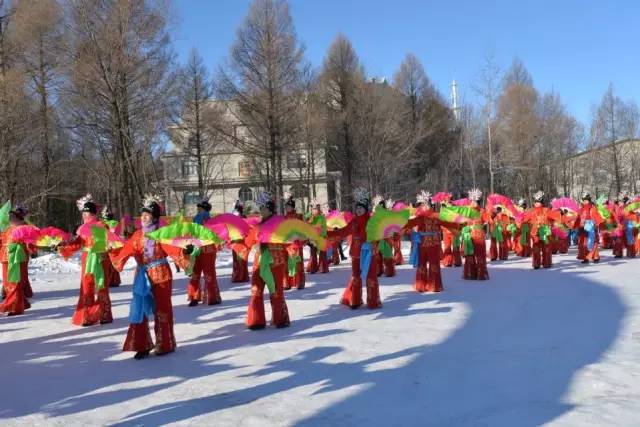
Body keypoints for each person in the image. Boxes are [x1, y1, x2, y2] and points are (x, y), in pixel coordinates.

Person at [111, 194, 190, 359]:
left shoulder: (162, 234)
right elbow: (124, 252)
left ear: (154, 216)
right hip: (141, 276)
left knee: (162, 310)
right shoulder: (137, 235)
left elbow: (175, 250)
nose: (144, 216)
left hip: (161, 275)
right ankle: (142, 345)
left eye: (148, 213)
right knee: (139, 310)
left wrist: (186, 251)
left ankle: (165, 343)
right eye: (143, 213)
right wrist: (112, 250)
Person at [58, 194, 113, 326]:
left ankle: (104, 313)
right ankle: (88, 314)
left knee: (101, 285)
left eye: (87, 213)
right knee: (87, 286)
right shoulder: (82, 228)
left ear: (93, 214)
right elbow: (77, 243)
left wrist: (109, 248)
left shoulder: (102, 226)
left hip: (100, 258)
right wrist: (62, 246)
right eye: (84, 213)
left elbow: (110, 242)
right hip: (87, 257)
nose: (85, 216)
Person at [327, 188, 382, 309]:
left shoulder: (372, 221)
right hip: (356, 252)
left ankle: (373, 301)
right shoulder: (354, 222)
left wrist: (375, 241)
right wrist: (327, 234)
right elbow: (342, 232)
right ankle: (355, 300)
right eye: (357, 208)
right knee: (355, 276)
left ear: (366, 209)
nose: (358, 210)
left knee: (370, 276)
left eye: (361, 208)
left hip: (369, 252)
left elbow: (379, 235)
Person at [246, 191, 290, 329]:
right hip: (259, 262)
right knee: (256, 290)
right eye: (260, 208)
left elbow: (290, 241)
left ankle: (280, 319)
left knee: (276, 291)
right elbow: (248, 242)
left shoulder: (280, 223)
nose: (260, 211)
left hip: (275, 262)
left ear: (269, 209)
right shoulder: (256, 225)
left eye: (263, 208)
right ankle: (256, 320)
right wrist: (253, 246)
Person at [403, 191, 457, 292]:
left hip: (426, 243)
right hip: (429, 243)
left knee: (426, 264)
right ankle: (431, 285)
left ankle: (424, 284)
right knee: (429, 264)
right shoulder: (431, 216)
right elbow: (449, 223)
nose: (422, 207)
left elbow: (409, 224)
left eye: (423, 204)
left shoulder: (431, 216)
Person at [187, 198, 222, 306]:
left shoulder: (199, 218)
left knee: (195, 273)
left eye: (199, 207)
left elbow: (192, 233)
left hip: (198, 247)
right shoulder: (210, 220)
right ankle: (212, 297)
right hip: (207, 248)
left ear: (203, 208)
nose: (197, 209)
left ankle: (194, 297)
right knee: (209, 273)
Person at [0, 206, 33, 315]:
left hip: (17, 259)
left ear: (18, 217)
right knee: (7, 283)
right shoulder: (8, 229)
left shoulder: (25, 228)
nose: (9, 218)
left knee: (14, 283)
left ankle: (14, 307)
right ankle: (21, 303)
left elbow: (31, 244)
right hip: (5, 258)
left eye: (12, 216)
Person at [523, 191, 560, 269]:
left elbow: (555, 216)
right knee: (536, 248)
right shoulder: (531, 211)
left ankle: (547, 262)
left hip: (545, 232)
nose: (537, 203)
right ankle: (536, 263)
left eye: (538, 202)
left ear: (542, 202)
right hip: (535, 232)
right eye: (535, 202)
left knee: (546, 248)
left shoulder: (546, 210)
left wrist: (554, 222)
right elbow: (524, 219)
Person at [462, 189, 490, 280]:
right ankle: (470, 273)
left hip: (479, 236)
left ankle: (480, 274)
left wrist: (492, 213)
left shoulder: (482, 211)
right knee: (470, 255)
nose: (475, 203)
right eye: (473, 201)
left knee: (480, 254)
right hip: (469, 236)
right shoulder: (466, 210)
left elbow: (487, 219)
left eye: (477, 201)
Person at [283, 192, 305, 290]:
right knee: (287, 263)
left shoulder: (298, 217)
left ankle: (299, 282)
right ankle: (287, 283)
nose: (287, 208)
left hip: (296, 242)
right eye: (286, 206)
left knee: (297, 263)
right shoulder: (284, 218)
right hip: (287, 243)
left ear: (292, 207)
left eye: (288, 206)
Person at [575, 192, 604, 264]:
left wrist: (594, 224)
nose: (585, 201)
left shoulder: (592, 208)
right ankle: (585, 257)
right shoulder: (581, 209)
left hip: (591, 227)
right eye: (584, 200)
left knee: (593, 242)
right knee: (583, 243)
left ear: (589, 200)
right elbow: (578, 218)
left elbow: (597, 217)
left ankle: (595, 257)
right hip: (582, 228)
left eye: (586, 200)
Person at [101, 206, 122, 288]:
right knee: (112, 262)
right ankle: (113, 280)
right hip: (112, 244)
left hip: (109, 244)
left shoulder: (107, 224)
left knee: (109, 263)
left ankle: (110, 280)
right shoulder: (114, 223)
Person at [306, 201, 329, 274]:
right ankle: (313, 267)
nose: (315, 210)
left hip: (321, 237)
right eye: (313, 209)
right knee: (313, 253)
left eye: (316, 208)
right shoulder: (309, 216)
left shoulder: (321, 217)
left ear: (319, 209)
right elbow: (306, 224)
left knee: (322, 254)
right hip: (313, 238)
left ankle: (323, 267)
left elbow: (321, 227)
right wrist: (310, 218)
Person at [230, 200, 251, 283]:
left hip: (241, 241)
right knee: (237, 259)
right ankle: (239, 275)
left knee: (241, 260)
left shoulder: (244, 219)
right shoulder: (235, 219)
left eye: (237, 211)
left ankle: (241, 276)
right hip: (235, 241)